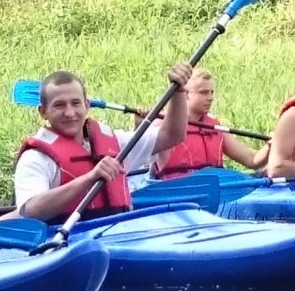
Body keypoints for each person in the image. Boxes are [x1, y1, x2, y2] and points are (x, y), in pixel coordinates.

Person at [12, 64, 191, 223]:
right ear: (43, 112)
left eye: (75, 103)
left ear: (87, 105)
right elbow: (31, 210)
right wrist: (90, 177)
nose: (70, 112)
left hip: (121, 235)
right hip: (69, 243)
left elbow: (172, 135)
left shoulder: (115, 143)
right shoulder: (36, 158)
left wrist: (178, 91)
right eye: (59, 105)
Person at [149, 68, 269, 180]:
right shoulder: (163, 125)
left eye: (212, 92)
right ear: (186, 94)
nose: (210, 97)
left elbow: (252, 160)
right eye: (204, 92)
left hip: (215, 189)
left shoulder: (215, 126)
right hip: (177, 190)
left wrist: (270, 146)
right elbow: (141, 151)